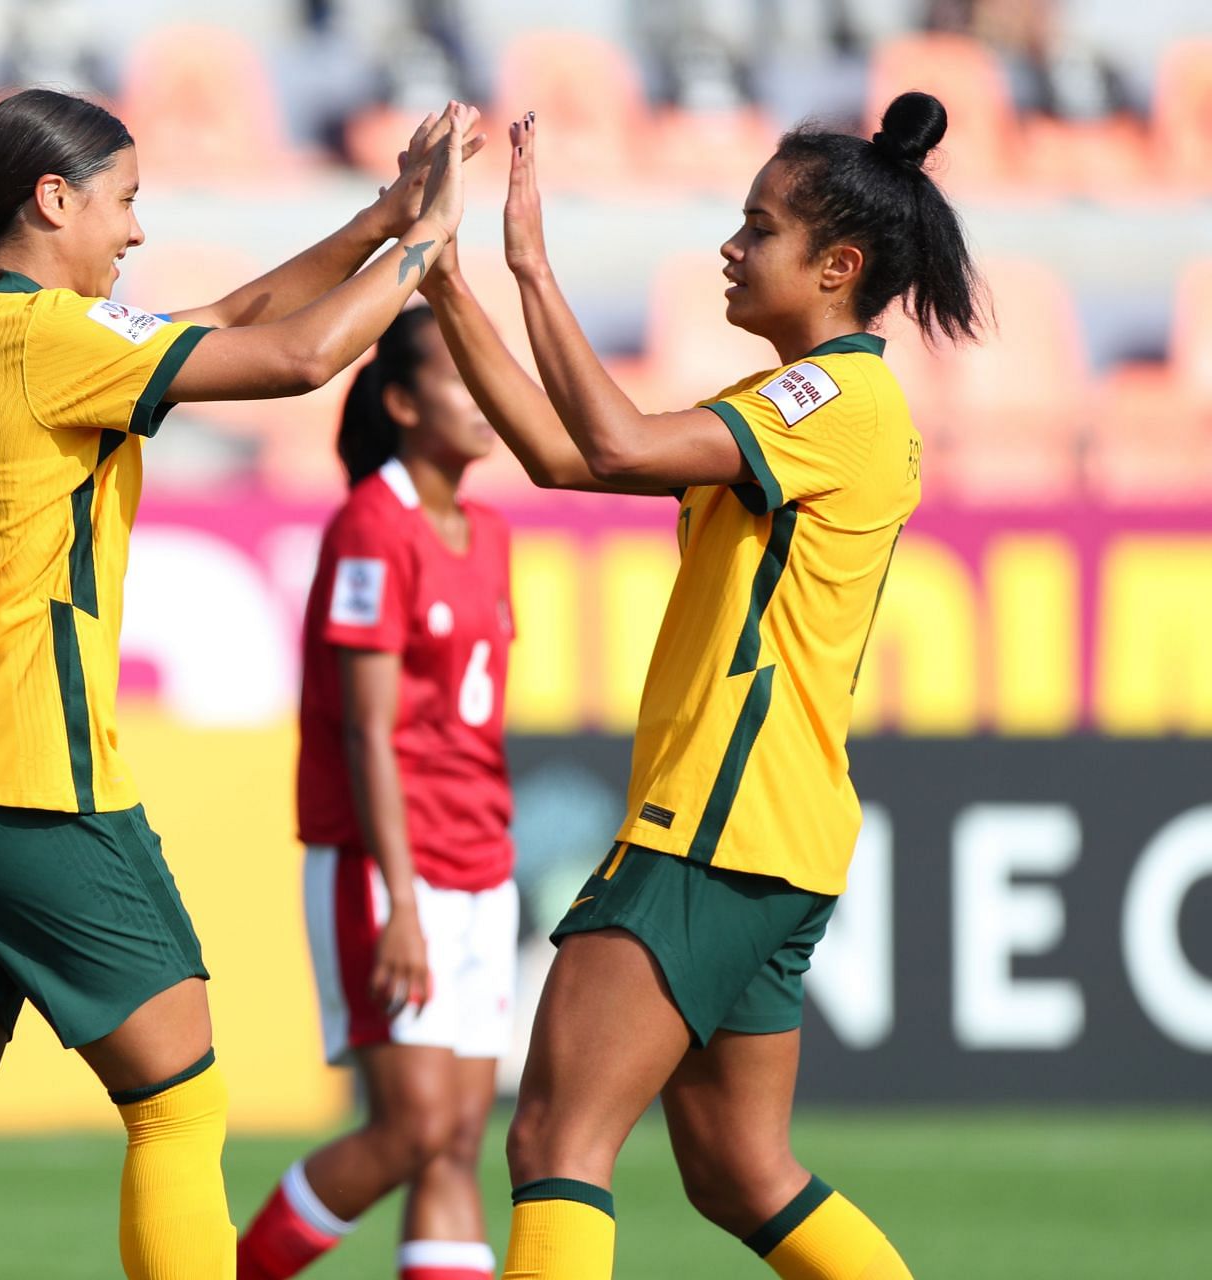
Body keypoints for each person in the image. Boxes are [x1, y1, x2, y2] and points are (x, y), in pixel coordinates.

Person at [0, 88, 476, 1280]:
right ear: (53, 197)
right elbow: (301, 354)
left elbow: (228, 314)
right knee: (177, 1101)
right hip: (32, 781)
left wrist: (383, 217)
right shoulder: (53, 340)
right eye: (124, 201)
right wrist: (435, 242)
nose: (134, 231)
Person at [419, 91, 983, 1279]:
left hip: (718, 825)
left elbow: (616, 441)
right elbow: (570, 457)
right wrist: (444, 283)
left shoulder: (837, 400)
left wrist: (529, 265)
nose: (731, 247)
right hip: (771, 829)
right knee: (739, 1168)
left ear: (837, 266)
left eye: (757, 226)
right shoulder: (796, 406)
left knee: (555, 1133)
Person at [237, 303, 517, 1280]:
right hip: (390, 864)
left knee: (459, 1137)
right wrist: (400, 898)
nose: (484, 394)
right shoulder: (370, 524)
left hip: (482, 861)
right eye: (456, 374)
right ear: (401, 400)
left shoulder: (487, 531)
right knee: (412, 1125)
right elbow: (368, 730)